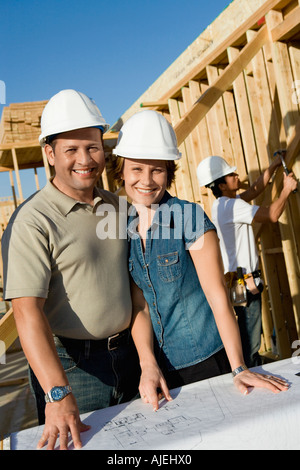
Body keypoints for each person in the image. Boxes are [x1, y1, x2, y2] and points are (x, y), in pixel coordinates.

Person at [111, 109, 289, 406]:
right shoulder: (125, 226)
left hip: (207, 361)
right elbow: (140, 305)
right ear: (122, 171)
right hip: (161, 371)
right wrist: (148, 364)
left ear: (169, 172)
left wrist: (239, 367)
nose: (147, 180)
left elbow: (218, 296)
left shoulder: (188, 216)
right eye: (137, 169)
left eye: (157, 170)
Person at [1, 89, 142, 450]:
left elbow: (135, 284)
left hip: (130, 357)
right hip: (73, 370)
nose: (85, 159)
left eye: (93, 147)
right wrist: (57, 392)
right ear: (50, 154)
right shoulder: (34, 221)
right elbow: (26, 310)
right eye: (71, 150)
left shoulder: (116, 208)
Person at [196, 154, 298, 367]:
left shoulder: (223, 204)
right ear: (221, 185)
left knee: (248, 341)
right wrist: (287, 189)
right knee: (250, 347)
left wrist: (274, 165)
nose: (237, 175)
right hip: (246, 286)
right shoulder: (232, 207)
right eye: (231, 174)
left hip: (241, 283)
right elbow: (271, 214)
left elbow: (253, 191)